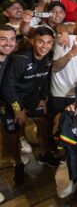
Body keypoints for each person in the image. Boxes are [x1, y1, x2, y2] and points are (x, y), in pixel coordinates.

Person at [1, 27, 60, 186]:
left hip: (33, 96)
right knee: (12, 135)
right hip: (13, 98)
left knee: (43, 123)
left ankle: (43, 154)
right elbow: (7, 86)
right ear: (33, 41)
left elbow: (44, 79)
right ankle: (18, 164)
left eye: (48, 42)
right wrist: (17, 108)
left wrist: (43, 98)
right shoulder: (21, 59)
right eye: (40, 41)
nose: (44, 46)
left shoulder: (49, 57)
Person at [0, 25, 17, 203]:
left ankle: (7, 154)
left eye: (12, 39)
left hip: (4, 105)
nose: (8, 43)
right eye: (3, 39)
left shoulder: (11, 58)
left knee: (8, 132)